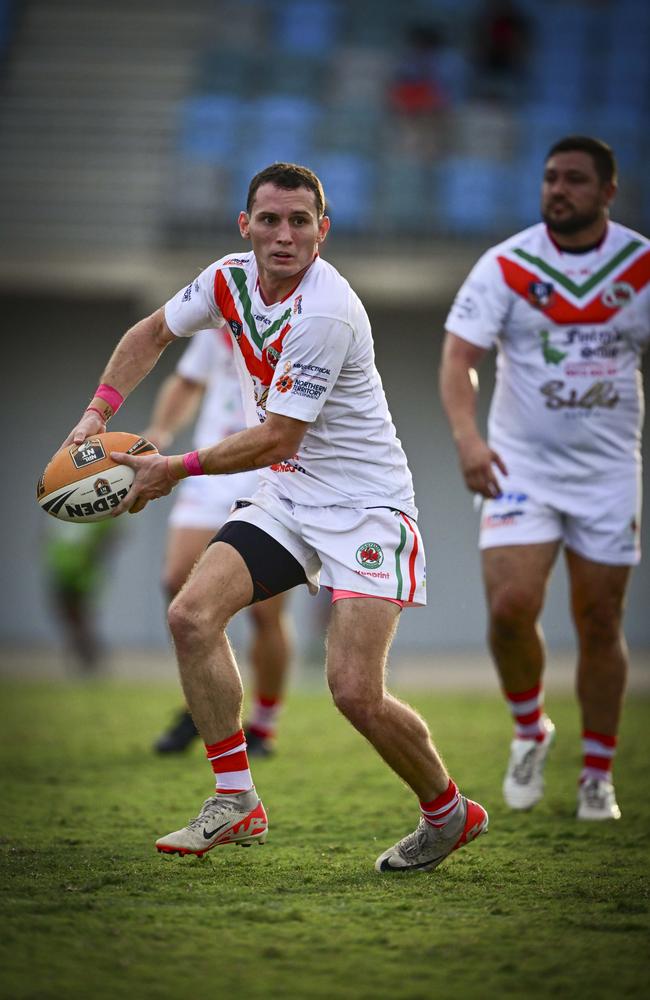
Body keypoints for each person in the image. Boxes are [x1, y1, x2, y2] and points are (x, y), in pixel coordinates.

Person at [60, 161, 488, 872]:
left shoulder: (327, 309)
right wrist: (93, 416)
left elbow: (276, 437)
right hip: (291, 496)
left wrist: (174, 468)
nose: (283, 235)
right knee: (191, 615)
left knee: (354, 691)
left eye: (299, 221)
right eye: (269, 219)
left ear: (323, 230)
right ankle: (235, 800)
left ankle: (448, 813)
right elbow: (149, 334)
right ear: (245, 226)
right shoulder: (226, 279)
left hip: (367, 507)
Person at [439, 136, 650, 821]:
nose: (557, 189)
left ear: (608, 191)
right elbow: (458, 356)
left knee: (598, 619)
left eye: (575, 180)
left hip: (609, 473)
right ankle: (531, 730)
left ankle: (597, 773)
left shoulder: (641, 267)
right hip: (520, 467)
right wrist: (469, 439)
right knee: (509, 610)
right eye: (550, 178)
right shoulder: (506, 265)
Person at [145, 328, 291, 756]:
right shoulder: (223, 322)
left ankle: (263, 726)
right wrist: (161, 430)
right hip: (211, 468)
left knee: (265, 613)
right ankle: (206, 707)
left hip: (268, 471)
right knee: (178, 584)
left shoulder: (305, 317)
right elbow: (188, 380)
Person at [42, 518, 119, 673]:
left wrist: (93, 554)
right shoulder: (56, 509)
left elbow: (112, 534)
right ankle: (83, 655)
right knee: (68, 617)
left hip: (84, 571)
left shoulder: (95, 510)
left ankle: (90, 658)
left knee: (81, 616)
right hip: (60, 568)